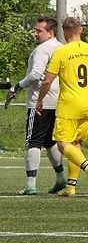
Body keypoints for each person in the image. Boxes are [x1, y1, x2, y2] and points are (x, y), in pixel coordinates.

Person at [35, 16, 88, 196]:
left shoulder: (61, 52)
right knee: (76, 144)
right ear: (80, 30)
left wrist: (39, 100)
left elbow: (47, 81)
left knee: (63, 144)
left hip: (69, 105)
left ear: (64, 33)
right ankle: (71, 186)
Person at [10, 16, 66, 195]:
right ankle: (61, 179)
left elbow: (36, 74)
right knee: (50, 141)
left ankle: (31, 184)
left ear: (51, 33)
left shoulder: (42, 49)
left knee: (33, 142)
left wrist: (18, 86)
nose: (35, 33)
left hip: (40, 102)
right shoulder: (61, 47)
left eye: (39, 30)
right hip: (58, 101)